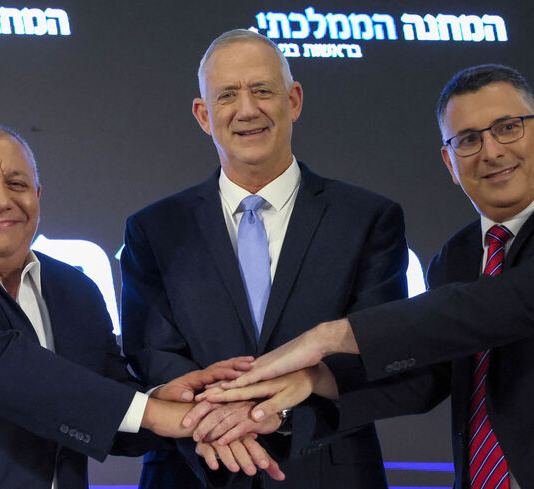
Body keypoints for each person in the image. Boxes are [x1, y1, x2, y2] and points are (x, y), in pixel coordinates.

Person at [205, 65, 534, 488]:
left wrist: (334, 335)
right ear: (449, 163)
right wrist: (317, 378)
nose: (491, 151)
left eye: (508, 128)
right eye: (469, 140)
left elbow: (506, 305)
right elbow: (427, 376)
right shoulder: (456, 256)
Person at [0, 122, 280, 489]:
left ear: (38, 196)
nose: (1, 199)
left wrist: (176, 403)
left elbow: (102, 405)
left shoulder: (72, 287)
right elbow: (1, 368)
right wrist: (160, 414)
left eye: (17, 184)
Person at [119, 29, 441, 489]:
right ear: (203, 115)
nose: (246, 109)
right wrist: (216, 420)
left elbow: (372, 347)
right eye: (227, 94)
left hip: (327, 472)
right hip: (193, 470)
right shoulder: (154, 228)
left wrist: (277, 413)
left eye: (262, 90)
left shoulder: (369, 218)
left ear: (293, 100)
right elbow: (153, 354)